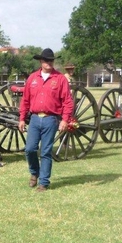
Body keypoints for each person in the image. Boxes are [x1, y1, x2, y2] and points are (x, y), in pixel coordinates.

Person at [18, 48, 74, 192]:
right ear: (41, 61)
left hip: (51, 119)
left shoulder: (60, 79)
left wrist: (64, 120)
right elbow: (25, 100)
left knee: (45, 151)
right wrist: (22, 118)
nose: (49, 62)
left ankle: (43, 182)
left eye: (51, 60)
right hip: (35, 119)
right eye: (46, 60)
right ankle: (34, 173)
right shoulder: (32, 78)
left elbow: (68, 101)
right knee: (30, 149)